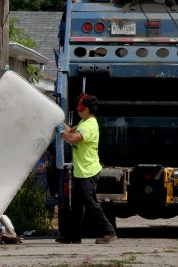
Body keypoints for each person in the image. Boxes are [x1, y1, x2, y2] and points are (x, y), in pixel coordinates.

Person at [54, 93, 117, 244]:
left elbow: (70, 138)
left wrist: (60, 130)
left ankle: (109, 232)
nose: (78, 110)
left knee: (91, 203)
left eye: (80, 108)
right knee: (76, 205)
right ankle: (73, 236)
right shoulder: (84, 122)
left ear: (87, 109)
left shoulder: (89, 126)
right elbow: (70, 131)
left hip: (88, 171)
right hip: (81, 171)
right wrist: (59, 122)